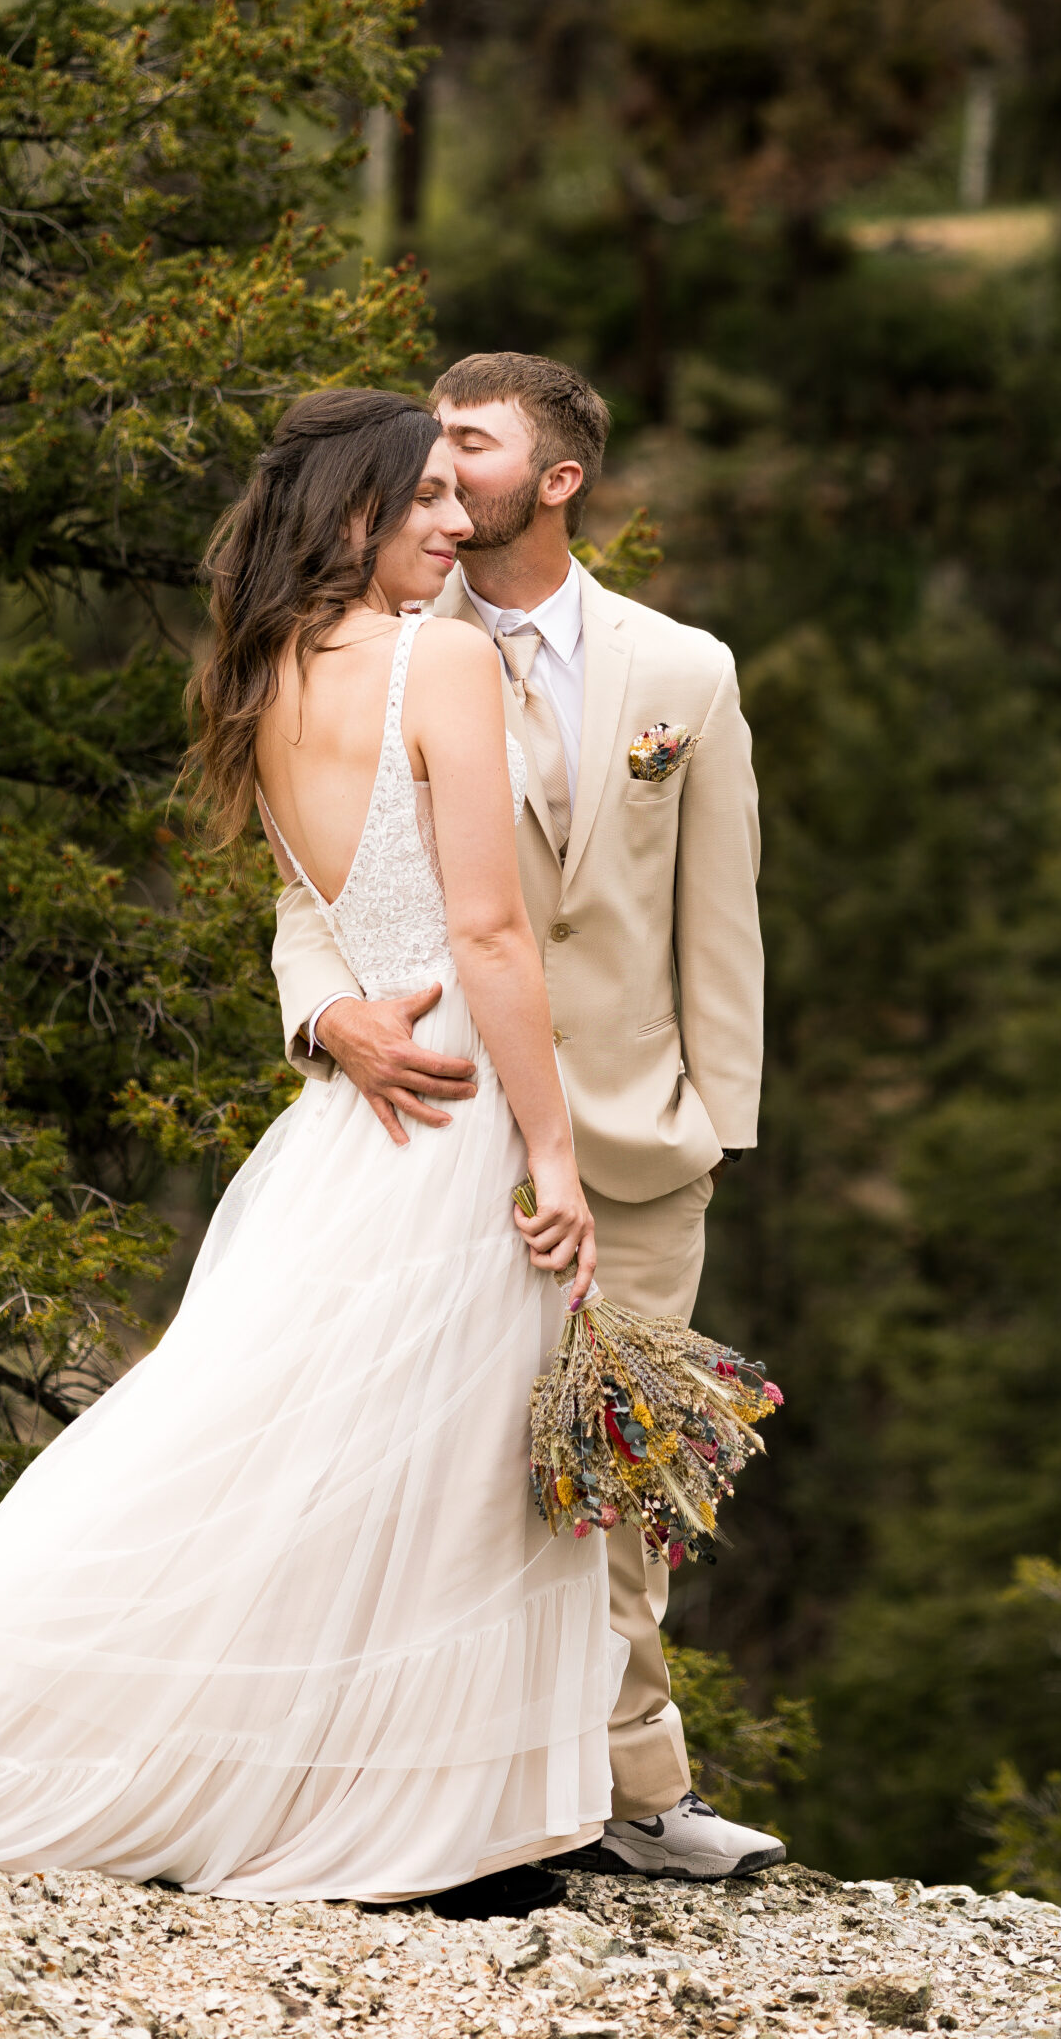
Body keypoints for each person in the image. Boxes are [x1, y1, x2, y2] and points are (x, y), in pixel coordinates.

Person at [0, 390, 623, 1902]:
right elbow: (495, 935)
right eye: (430, 499)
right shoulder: (436, 658)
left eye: (464, 494)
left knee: (348, 1454)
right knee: (440, 1463)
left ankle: (413, 1807)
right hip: (448, 1109)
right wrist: (556, 1154)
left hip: (355, 1112)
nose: (458, 524)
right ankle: (434, 1831)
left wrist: (332, 1023)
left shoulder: (265, 668)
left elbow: (312, 908)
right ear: (358, 511)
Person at [271, 353, 780, 1883]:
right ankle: (441, 1787)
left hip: (627, 1135)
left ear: (556, 480)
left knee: (611, 1468)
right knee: (429, 1459)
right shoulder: (379, 641)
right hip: (432, 1114)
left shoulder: (683, 671)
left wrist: (714, 1127)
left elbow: (722, 918)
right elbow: (317, 884)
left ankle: (635, 1793)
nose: (439, 466)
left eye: (468, 446)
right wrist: (322, 1010)